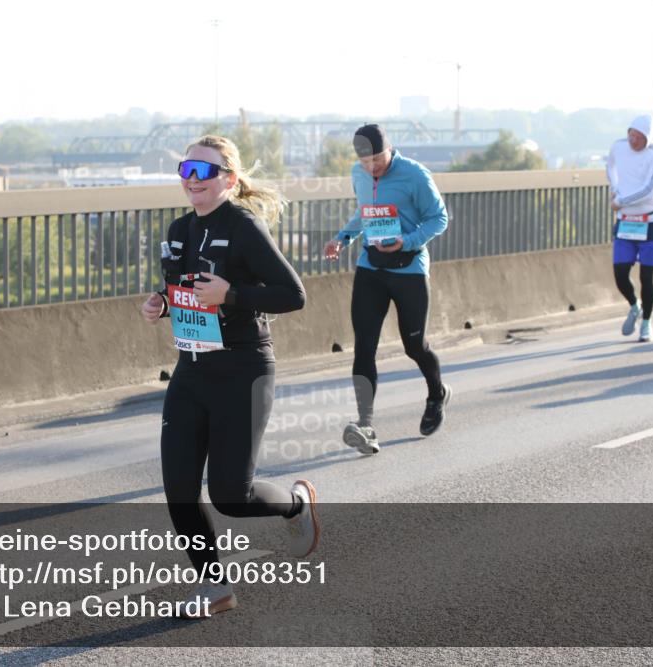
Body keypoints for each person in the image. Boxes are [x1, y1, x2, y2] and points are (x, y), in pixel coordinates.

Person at [140, 135, 319, 618]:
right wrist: (161, 302)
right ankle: (215, 587)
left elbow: (291, 294)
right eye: (185, 169)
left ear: (229, 179)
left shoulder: (243, 225)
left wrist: (232, 295)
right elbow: (182, 289)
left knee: (231, 496)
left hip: (243, 368)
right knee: (178, 489)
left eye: (204, 171)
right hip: (191, 371)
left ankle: (296, 504)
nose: (191, 180)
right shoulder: (178, 229)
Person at [323, 124, 450, 455]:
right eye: (366, 162)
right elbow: (365, 213)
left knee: (414, 345)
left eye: (377, 160)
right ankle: (366, 425)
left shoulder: (414, 174)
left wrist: (405, 242)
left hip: (408, 270)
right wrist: (342, 238)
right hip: (371, 269)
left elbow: (439, 218)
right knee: (364, 348)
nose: (372, 168)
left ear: (389, 150)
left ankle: (437, 394)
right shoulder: (359, 173)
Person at [606, 114, 653, 343]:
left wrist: (620, 201)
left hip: (652, 220)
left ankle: (646, 324)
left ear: (648, 138)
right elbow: (610, 165)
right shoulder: (619, 147)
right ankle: (635, 307)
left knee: (646, 275)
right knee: (620, 272)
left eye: (638, 137)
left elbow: (649, 191)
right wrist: (615, 188)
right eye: (630, 134)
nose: (633, 140)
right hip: (627, 220)